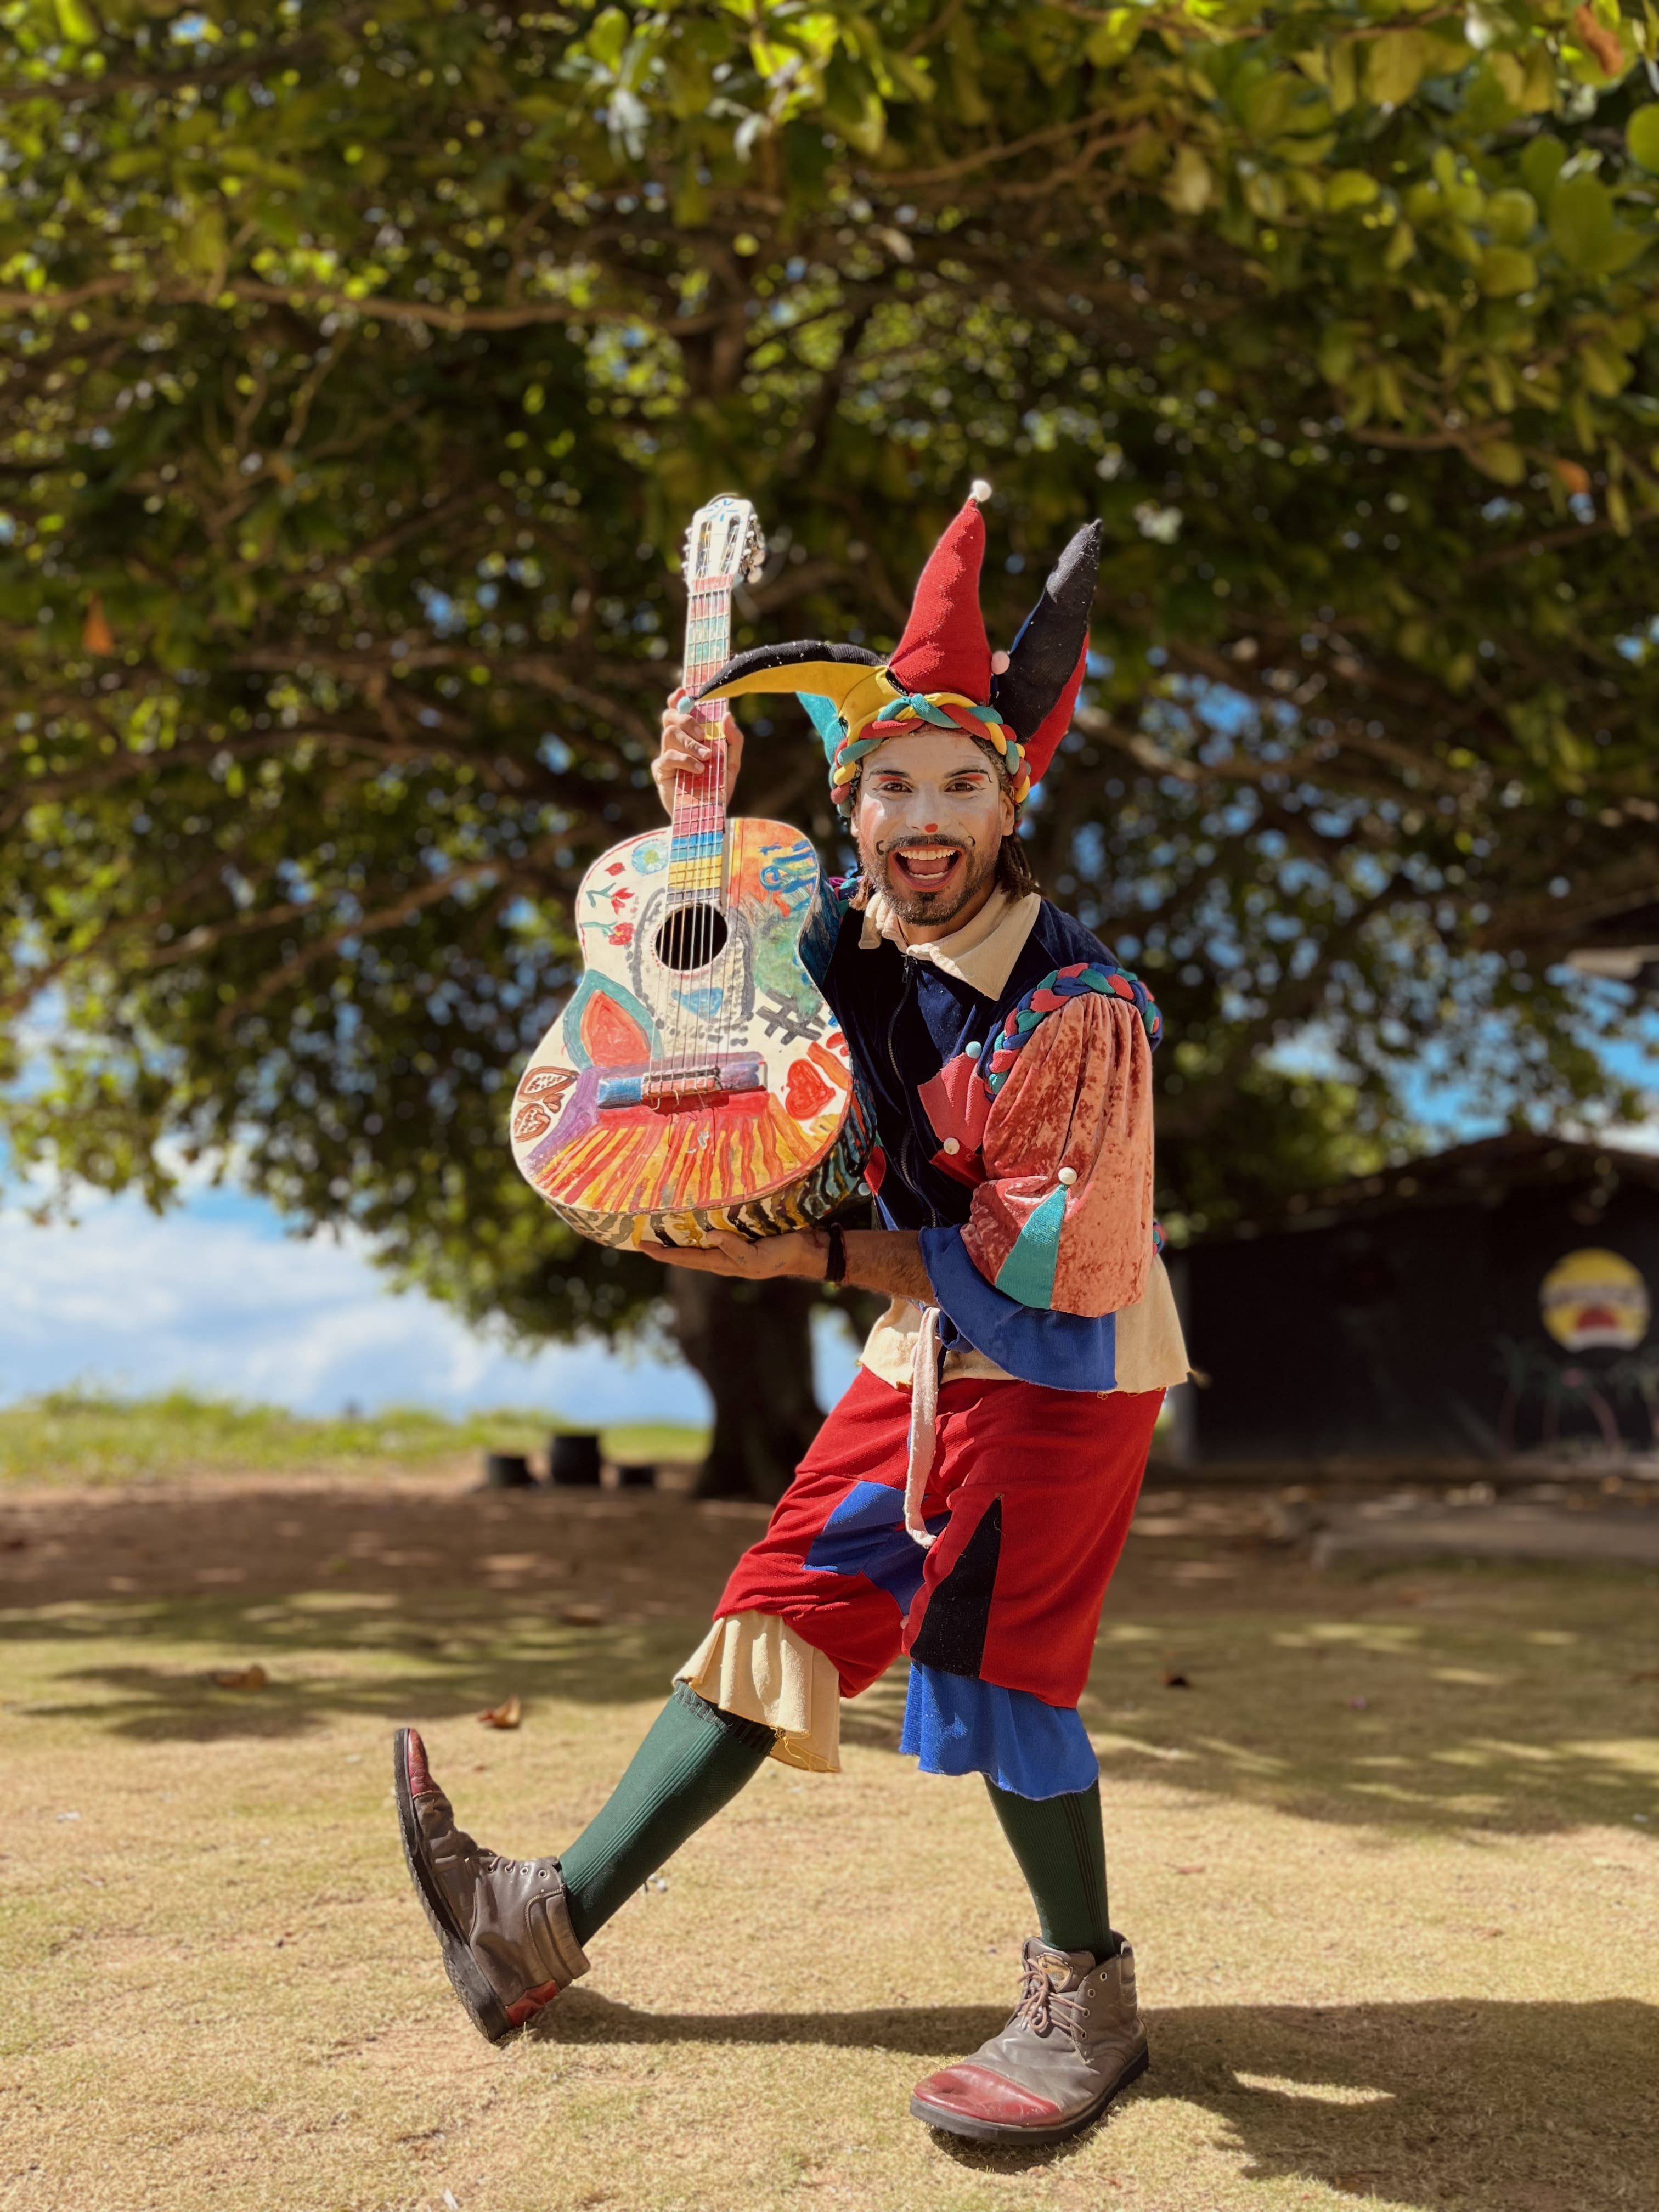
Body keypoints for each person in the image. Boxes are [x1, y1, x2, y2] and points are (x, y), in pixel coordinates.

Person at [393, 486, 1190, 2147]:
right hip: (926, 1349)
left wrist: (810, 1261)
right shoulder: (837, 932)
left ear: (1010, 801)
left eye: (961, 784)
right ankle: (534, 1928)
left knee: (993, 1664)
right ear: (854, 805)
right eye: (893, 784)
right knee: (784, 1611)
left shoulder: (1080, 1010)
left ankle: (1086, 1998)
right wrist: (691, 805)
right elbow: (709, 981)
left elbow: (1047, 1265)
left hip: (1064, 1357)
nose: (926, 817)